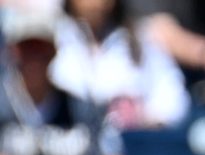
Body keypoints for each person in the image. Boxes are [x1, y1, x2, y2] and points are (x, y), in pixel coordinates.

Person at [0, 8, 129, 155]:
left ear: (53, 52)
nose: (33, 58)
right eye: (26, 49)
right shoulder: (3, 103)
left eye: (40, 49)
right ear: (12, 52)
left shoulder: (80, 108)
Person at [51, 0, 191, 129]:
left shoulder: (138, 38)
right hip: (71, 143)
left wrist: (140, 115)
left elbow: (172, 96)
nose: (96, 3)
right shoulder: (53, 37)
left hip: (132, 144)